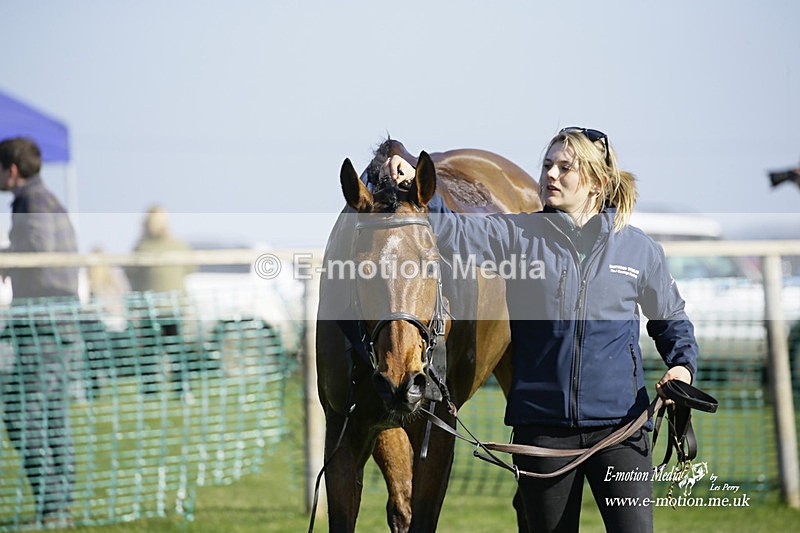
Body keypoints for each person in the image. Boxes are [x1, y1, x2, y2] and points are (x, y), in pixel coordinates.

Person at [383, 128, 698, 533]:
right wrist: (412, 175)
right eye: (547, 165)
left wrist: (682, 367)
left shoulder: (638, 249)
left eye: (565, 167)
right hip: (543, 437)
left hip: (622, 431)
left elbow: (671, 320)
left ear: (598, 182)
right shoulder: (520, 236)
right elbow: (450, 231)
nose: (550, 174)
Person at [0, 137, 79, 526]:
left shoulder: (31, 201)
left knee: (23, 415)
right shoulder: (48, 199)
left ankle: (52, 508)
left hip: (42, 326)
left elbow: (38, 251)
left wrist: (4, 260)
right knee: (51, 416)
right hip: (56, 324)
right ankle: (57, 509)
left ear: (11, 170)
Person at [125, 205, 195, 399]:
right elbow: (190, 268)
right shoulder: (150, 246)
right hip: (160, 308)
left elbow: (130, 272)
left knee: (166, 351)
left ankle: (166, 390)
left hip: (165, 308)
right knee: (163, 351)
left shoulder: (145, 246)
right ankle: (163, 390)